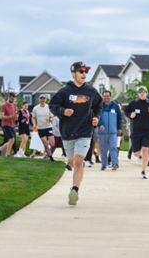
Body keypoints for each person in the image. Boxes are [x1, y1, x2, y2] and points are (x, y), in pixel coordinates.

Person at [49, 61, 103, 206]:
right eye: (81, 71)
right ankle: (75, 181)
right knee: (73, 163)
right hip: (67, 132)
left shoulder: (91, 91)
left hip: (85, 131)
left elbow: (99, 105)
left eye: (86, 71)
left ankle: (75, 190)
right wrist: (63, 111)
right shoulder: (64, 91)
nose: (84, 74)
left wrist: (96, 117)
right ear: (73, 74)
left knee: (79, 161)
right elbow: (53, 106)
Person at [124, 86, 149, 179]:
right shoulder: (133, 103)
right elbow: (125, 111)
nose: (142, 93)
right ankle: (135, 150)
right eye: (140, 91)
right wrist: (130, 116)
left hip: (147, 131)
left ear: (146, 93)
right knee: (136, 153)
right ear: (138, 93)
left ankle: (143, 171)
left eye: (143, 91)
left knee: (146, 151)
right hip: (136, 131)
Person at [97, 90, 122, 171]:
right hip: (102, 131)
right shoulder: (99, 105)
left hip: (113, 131)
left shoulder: (115, 106)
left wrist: (119, 128)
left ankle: (115, 163)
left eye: (107, 96)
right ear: (102, 96)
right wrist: (99, 124)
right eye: (104, 96)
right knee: (103, 148)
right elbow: (96, 116)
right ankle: (104, 164)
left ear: (110, 97)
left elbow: (119, 117)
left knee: (113, 147)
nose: (106, 97)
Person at [32, 95, 55, 161]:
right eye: (41, 99)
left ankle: (49, 154)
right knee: (45, 144)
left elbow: (52, 117)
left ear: (45, 100)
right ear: (39, 100)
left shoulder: (48, 107)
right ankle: (50, 157)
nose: (42, 100)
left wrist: (50, 120)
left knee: (52, 144)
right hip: (41, 128)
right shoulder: (35, 108)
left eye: (43, 99)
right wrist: (34, 124)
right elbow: (33, 118)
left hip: (48, 127)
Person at [0, 92, 18, 157]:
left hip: (12, 124)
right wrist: (10, 116)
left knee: (12, 141)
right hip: (5, 124)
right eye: (12, 99)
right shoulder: (4, 105)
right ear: (8, 97)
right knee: (11, 139)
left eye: (14, 99)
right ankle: (7, 154)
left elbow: (15, 113)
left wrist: (16, 116)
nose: (13, 101)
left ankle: (0, 148)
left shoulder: (14, 104)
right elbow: (1, 117)